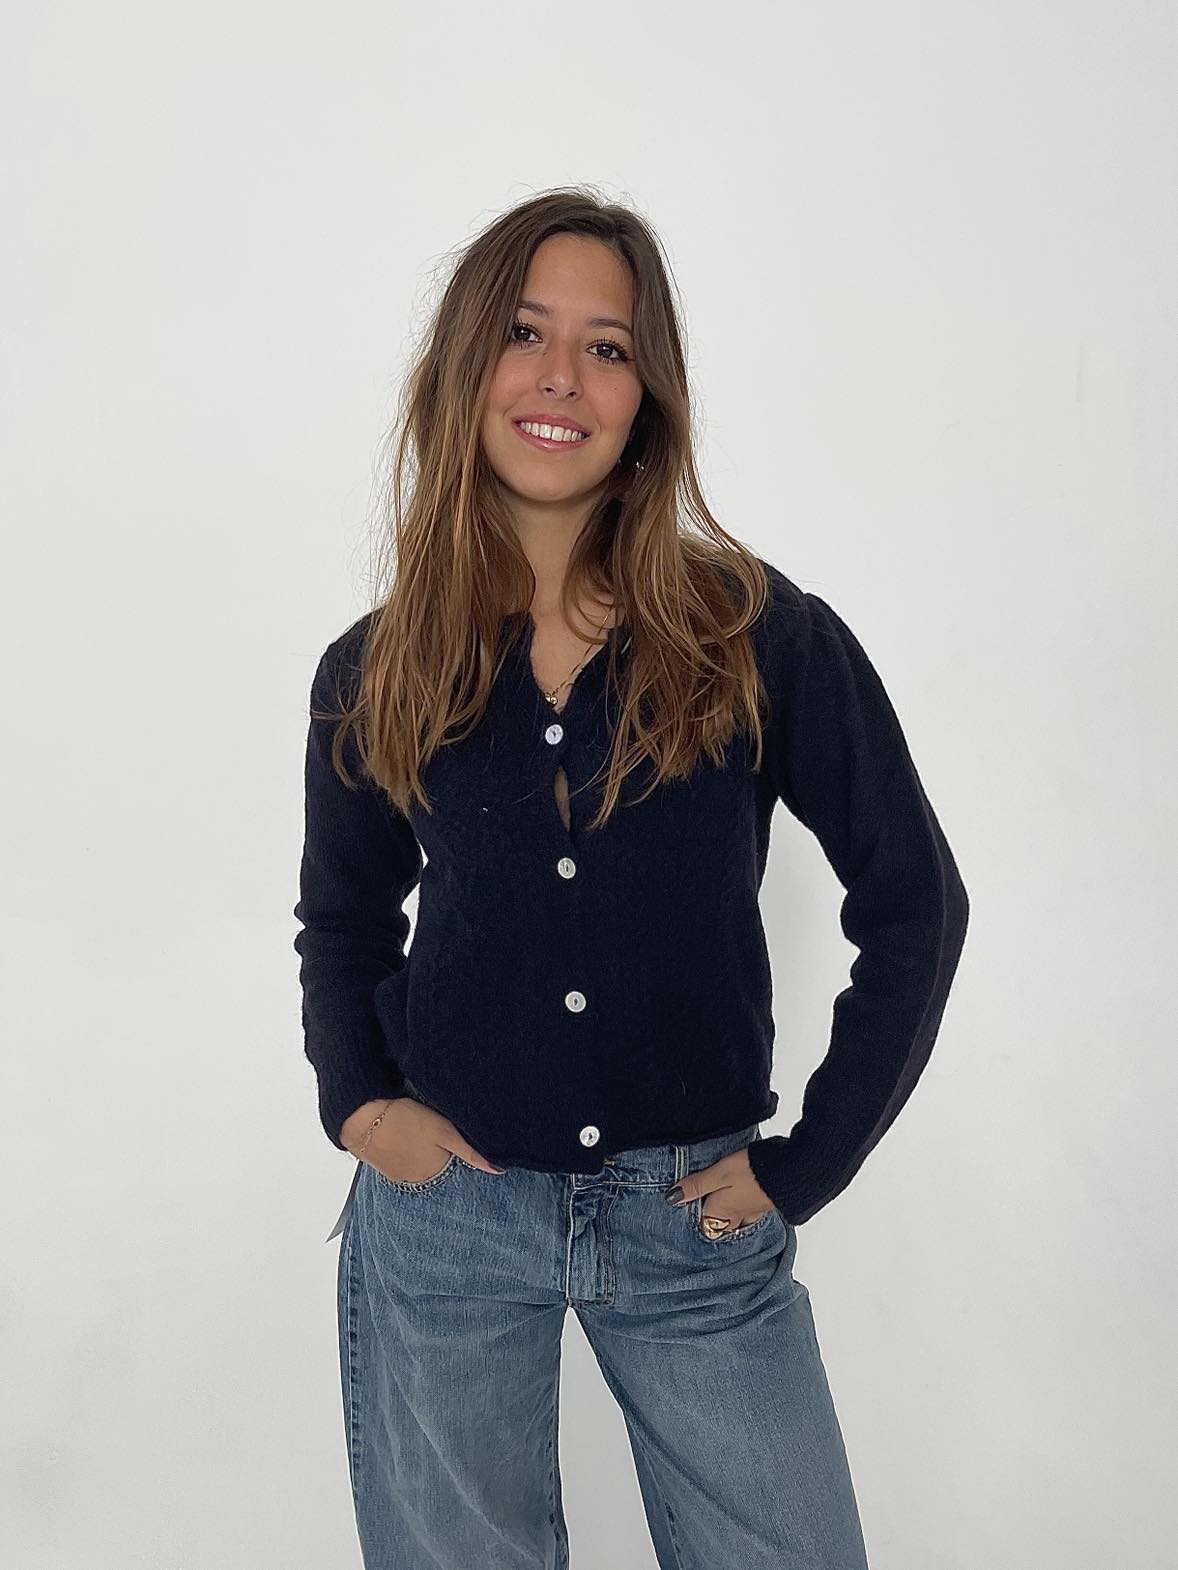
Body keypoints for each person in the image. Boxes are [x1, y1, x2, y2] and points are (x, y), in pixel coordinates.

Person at [293, 189, 970, 1570]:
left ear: (647, 395)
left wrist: (804, 1163)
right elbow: (344, 920)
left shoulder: (755, 635)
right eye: (524, 333)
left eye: (606, 348)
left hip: (691, 1225)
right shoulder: (377, 665)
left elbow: (916, 903)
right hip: (449, 1222)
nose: (561, 377)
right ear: (464, 367)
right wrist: (359, 1102)